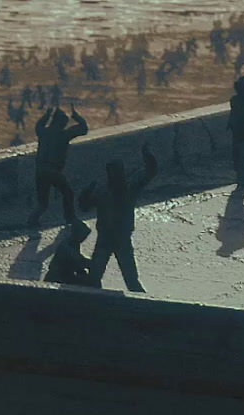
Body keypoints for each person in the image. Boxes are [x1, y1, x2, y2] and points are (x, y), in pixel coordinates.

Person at [79, 145, 158, 293]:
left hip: (113, 240)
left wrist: (148, 156)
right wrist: (87, 192)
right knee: (124, 280)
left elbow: (150, 173)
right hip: (111, 240)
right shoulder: (124, 190)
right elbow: (150, 173)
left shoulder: (111, 191)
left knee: (126, 280)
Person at [27, 107, 88, 227]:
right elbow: (84, 129)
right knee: (68, 192)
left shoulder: (43, 132)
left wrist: (47, 115)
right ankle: (70, 217)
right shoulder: (63, 135)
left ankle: (32, 220)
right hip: (53, 171)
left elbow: (38, 125)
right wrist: (77, 117)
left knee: (43, 202)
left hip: (40, 171)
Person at [44, 221, 94, 286]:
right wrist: (91, 262)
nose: (84, 238)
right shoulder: (66, 246)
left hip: (65, 274)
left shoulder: (74, 243)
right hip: (58, 277)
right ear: (76, 233)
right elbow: (78, 259)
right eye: (83, 236)